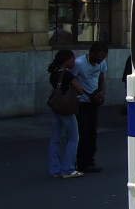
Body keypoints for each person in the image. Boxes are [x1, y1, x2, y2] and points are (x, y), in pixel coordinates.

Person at [46, 49, 85, 179]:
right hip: (67, 108)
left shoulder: (53, 74)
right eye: (72, 59)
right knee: (73, 138)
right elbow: (80, 90)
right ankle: (68, 168)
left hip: (56, 107)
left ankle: (55, 169)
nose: (74, 61)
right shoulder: (68, 75)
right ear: (67, 60)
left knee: (55, 139)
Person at [73, 42, 108, 173]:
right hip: (82, 102)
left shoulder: (101, 64)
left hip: (94, 101)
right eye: (98, 57)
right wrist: (83, 92)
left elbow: (102, 79)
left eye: (103, 57)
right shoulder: (79, 63)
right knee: (83, 132)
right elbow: (72, 79)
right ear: (91, 53)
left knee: (92, 133)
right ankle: (81, 162)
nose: (100, 60)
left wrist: (101, 92)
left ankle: (90, 161)